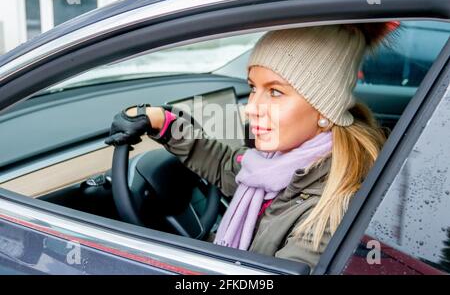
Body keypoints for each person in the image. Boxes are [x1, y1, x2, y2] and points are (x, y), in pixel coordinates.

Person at [105, 22, 399, 270]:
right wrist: (163, 122)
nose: (251, 109)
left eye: (275, 92)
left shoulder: (336, 204)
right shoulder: (276, 163)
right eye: (253, 88)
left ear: (325, 108)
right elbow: (225, 164)